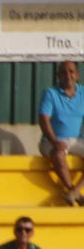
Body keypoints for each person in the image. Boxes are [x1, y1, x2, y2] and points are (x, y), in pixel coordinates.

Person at [39, 60, 83, 206]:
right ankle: (73, 190)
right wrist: (54, 141)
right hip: (52, 140)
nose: (68, 75)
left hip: (77, 140)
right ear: (58, 75)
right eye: (64, 72)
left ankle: (74, 191)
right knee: (58, 154)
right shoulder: (50, 93)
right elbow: (44, 120)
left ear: (78, 75)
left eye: (71, 72)